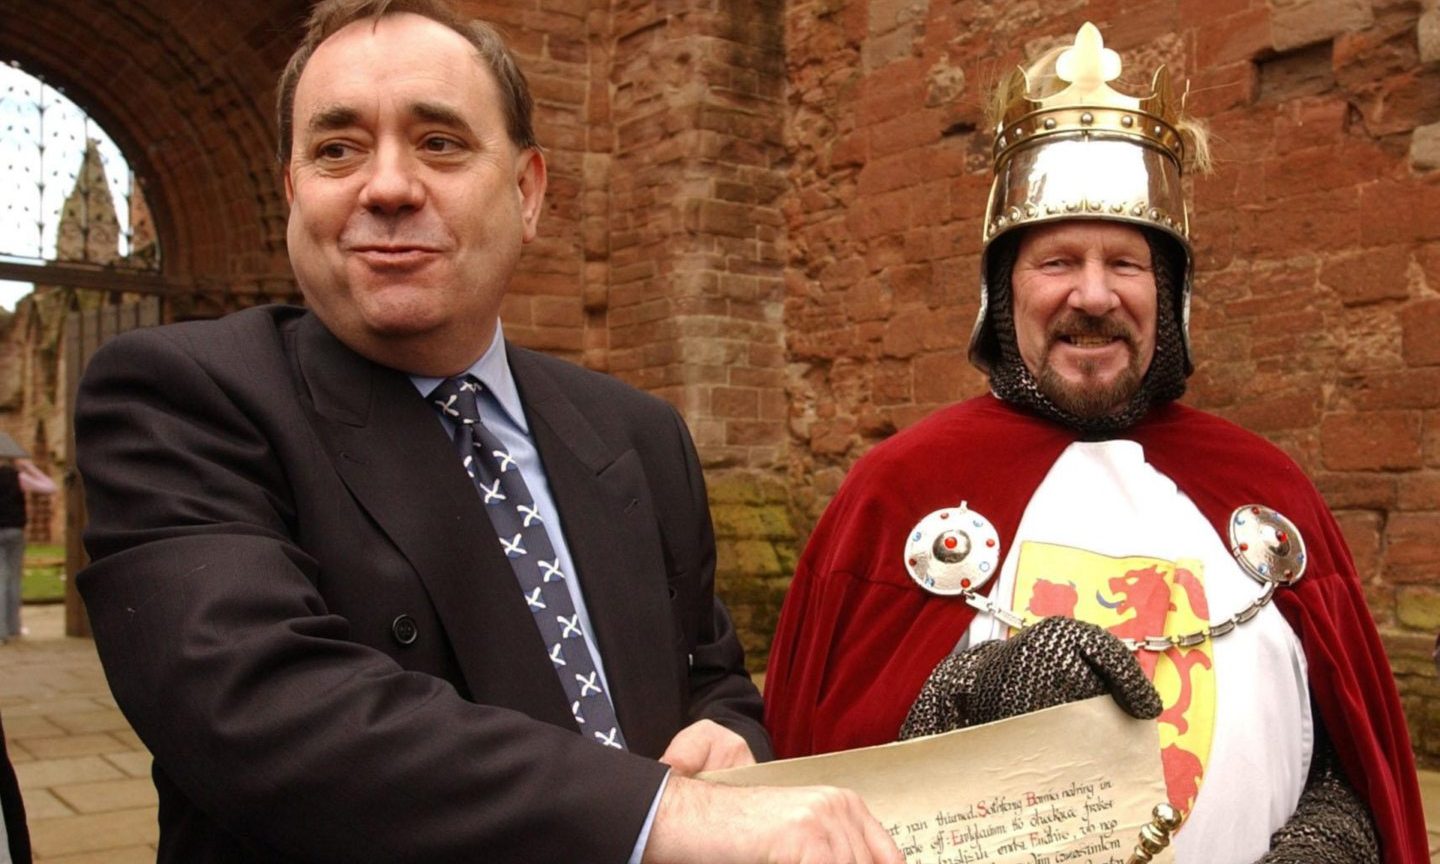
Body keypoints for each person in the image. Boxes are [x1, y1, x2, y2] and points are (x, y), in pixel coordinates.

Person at [73, 2, 901, 863]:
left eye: (440, 143)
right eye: (337, 149)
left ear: (527, 190)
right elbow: (260, 709)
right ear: (294, 194)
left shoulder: (638, 432)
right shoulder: (183, 398)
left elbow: (711, 673)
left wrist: (729, 741)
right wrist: (657, 817)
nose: (387, 187)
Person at [763, 21, 1427, 864]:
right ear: (1003, 294)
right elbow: (819, 784)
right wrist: (965, 700)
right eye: (1057, 261)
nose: (1093, 294)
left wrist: (1333, 841)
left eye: (1126, 262)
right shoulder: (898, 492)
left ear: (1169, 295)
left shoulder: (1267, 490)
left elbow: (1349, 754)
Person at [0, 454, 57, 644]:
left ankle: (2, 632)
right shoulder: (18, 477)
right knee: (13, 579)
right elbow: (50, 487)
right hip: (15, 530)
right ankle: (14, 628)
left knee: (1, 579)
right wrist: (29, 468)